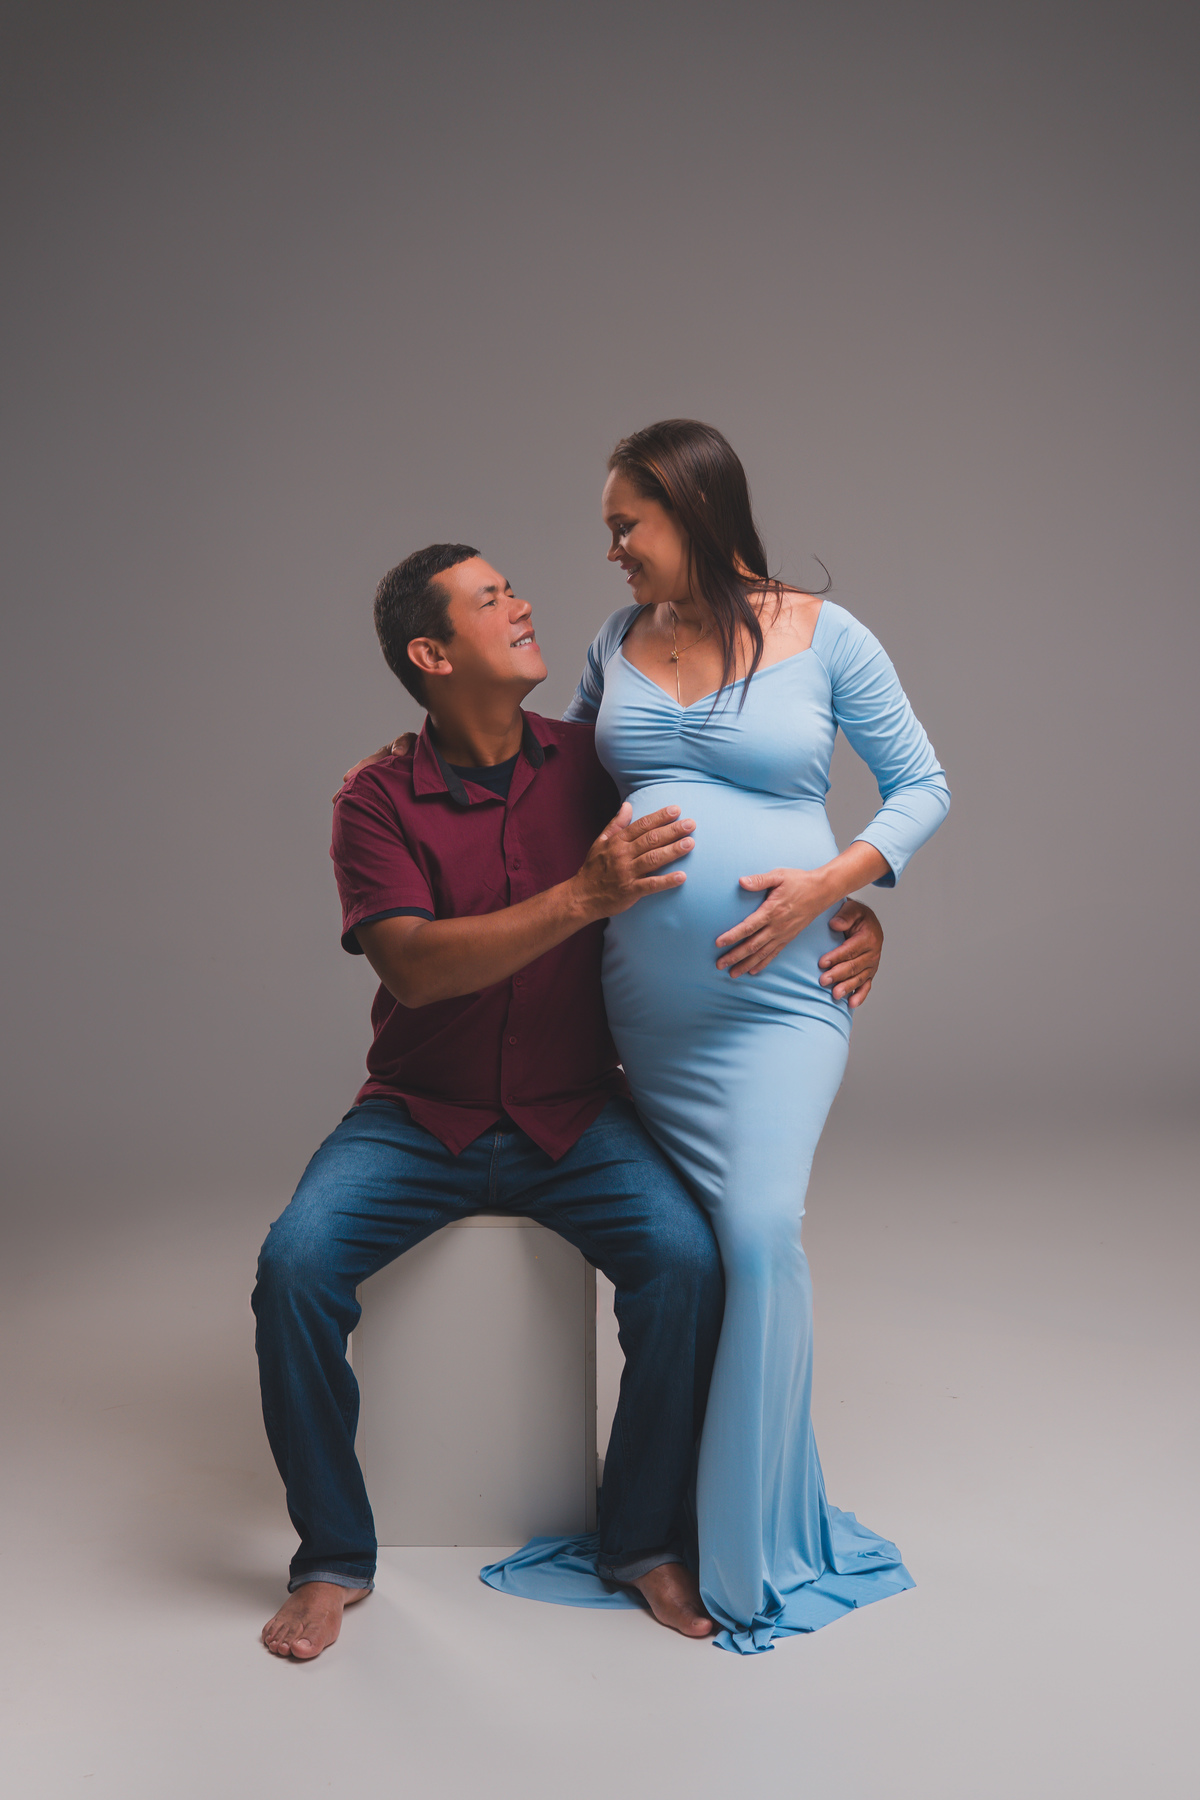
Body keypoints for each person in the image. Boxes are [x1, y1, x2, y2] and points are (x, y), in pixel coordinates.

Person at [254, 541, 886, 1659]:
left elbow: (753, 836)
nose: (524, 604)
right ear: (432, 655)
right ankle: (332, 1559)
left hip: (576, 1115)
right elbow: (413, 968)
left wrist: (848, 909)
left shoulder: (597, 762)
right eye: (492, 598)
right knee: (293, 1270)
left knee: (687, 1266)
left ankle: (640, 1542)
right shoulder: (375, 798)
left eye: (513, 588)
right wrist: (582, 896)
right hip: (418, 1116)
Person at [478, 421, 951, 1653]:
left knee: (758, 1233)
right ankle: (666, 1522)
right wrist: (431, 748)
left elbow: (923, 786)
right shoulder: (613, 643)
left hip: (781, 1002)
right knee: (693, 1254)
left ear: (692, 508)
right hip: (648, 1008)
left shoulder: (826, 635)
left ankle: (751, 1541)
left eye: (625, 525)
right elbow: (553, 780)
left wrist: (836, 887)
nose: (612, 550)